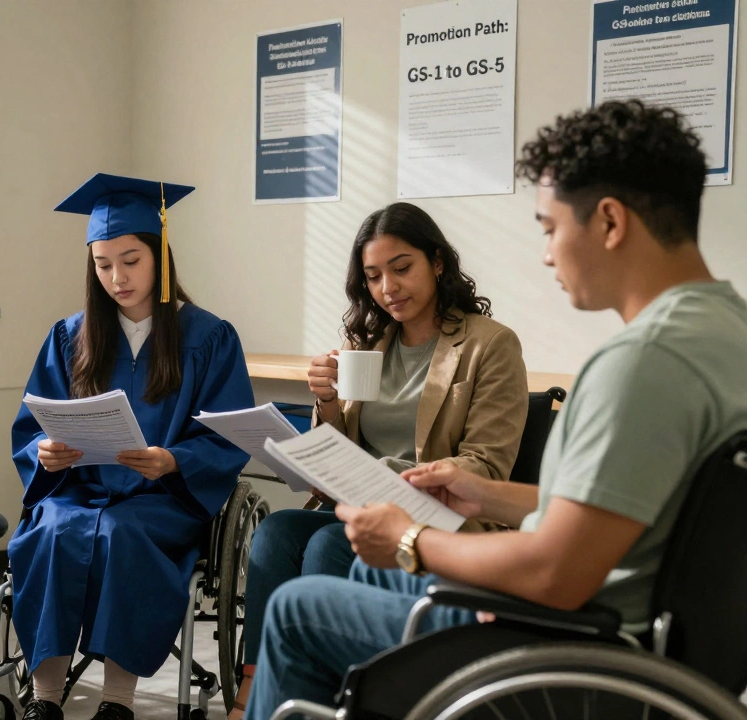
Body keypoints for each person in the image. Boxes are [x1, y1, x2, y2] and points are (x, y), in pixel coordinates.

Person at [244, 100, 747, 718]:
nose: (545, 253)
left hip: (568, 644)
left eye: (548, 227)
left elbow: (554, 571)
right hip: (652, 640)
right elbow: (629, 509)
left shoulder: (640, 363)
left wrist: (410, 537)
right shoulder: (726, 333)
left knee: (300, 609)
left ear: (610, 222)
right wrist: (485, 496)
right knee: (350, 567)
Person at [231, 203, 529, 718]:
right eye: (373, 276)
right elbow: (338, 447)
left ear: (437, 262)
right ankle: (254, 691)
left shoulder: (489, 344)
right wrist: (324, 400)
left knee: (327, 539)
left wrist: (385, 478)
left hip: (436, 517)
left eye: (401, 267)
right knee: (276, 531)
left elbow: (487, 464)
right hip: (356, 507)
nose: (388, 286)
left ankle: (342, 696)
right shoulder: (366, 343)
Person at [11, 173, 255, 720]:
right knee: (51, 528)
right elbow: (33, 427)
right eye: (102, 264)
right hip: (80, 491)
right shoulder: (70, 336)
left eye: (131, 260)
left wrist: (174, 460)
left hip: (160, 502)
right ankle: (45, 699)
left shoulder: (209, 337)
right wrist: (46, 454)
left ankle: (117, 702)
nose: (117, 277)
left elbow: (227, 433)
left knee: (122, 534)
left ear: (159, 256)